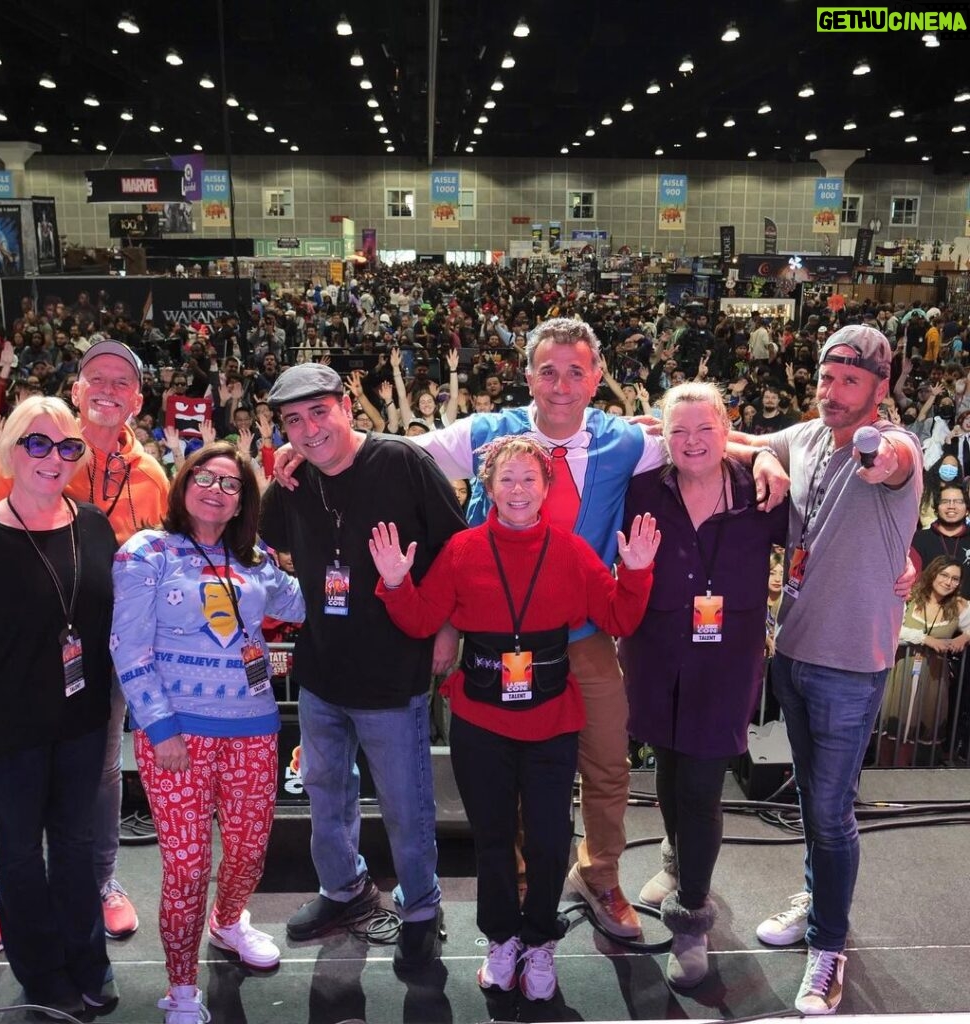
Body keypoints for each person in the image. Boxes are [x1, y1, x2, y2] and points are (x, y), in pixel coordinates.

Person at [406, 316, 789, 939]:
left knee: (609, 764)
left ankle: (600, 874)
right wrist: (318, 445)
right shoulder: (487, 432)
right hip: (500, 644)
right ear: (528, 373)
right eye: (549, 371)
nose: (561, 385)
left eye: (576, 371)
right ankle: (527, 884)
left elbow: (701, 438)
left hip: (584, 637)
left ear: (597, 377)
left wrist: (764, 453)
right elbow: (402, 454)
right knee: (519, 776)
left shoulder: (624, 440)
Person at [367, 435, 660, 1001]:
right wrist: (397, 581)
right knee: (495, 841)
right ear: (489, 488)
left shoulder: (573, 551)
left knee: (551, 840)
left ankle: (541, 943)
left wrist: (638, 572)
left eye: (529, 479)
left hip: (552, 719)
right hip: (481, 721)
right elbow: (421, 619)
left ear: (547, 489)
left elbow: (620, 615)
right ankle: (502, 939)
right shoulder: (461, 550)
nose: (518, 490)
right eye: (507, 479)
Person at [0, 340, 169, 958]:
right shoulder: (32, 445)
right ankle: (3, 893)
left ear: (137, 399)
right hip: (22, 646)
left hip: (106, 652)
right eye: (95, 377)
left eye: (121, 382)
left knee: (99, 773)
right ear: (76, 390)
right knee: (14, 774)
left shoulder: (151, 477)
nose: (107, 388)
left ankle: (99, 882)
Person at [259, 363, 467, 972]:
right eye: (293, 420)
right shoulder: (295, 477)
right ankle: (343, 890)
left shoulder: (401, 461)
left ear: (347, 406)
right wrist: (275, 477)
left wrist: (448, 627)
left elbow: (457, 549)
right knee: (326, 791)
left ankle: (423, 905)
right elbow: (271, 533)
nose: (309, 429)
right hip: (322, 667)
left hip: (393, 666)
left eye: (318, 412)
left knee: (406, 802)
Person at [751, 324, 922, 1015]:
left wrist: (881, 459)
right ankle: (818, 898)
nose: (833, 392)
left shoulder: (890, 444)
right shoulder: (806, 436)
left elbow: (897, 461)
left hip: (850, 665)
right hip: (792, 651)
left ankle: (829, 947)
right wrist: (762, 461)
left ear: (880, 390)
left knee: (829, 810)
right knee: (811, 804)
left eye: (851, 381)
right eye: (826, 378)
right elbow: (744, 443)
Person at [110, 442, 305, 1024]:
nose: (217, 489)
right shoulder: (147, 551)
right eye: (206, 477)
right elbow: (128, 644)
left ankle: (228, 923)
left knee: (249, 851)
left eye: (232, 484)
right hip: (176, 737)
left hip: (253, 729)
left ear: (244, 501)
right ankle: (181, 986)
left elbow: (300, 606)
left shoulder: (252, 557)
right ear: (182, 482)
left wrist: (299, 547)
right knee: (189, 865)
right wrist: (159, 725)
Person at [0, 397, 118, 1019]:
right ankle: (43, 977)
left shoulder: (95, 526)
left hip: (81, 722)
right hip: (9, 730)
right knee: (19, 856)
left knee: (76, 848)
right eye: (38, 444)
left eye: (67, 447)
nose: (53, 458)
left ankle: (87, 964)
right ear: (11, 450)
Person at [619, 383, 788, 988]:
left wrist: (897, 558)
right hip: (655, 655)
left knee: (701, 782)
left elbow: (814, 538)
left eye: (705, 430)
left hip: (726, 663)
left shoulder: (762, 491)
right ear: (662, 435)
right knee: (667, 765)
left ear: (728, 432)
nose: (691, 443)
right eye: (678, 431)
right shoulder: (640, 488)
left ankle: (692, 914)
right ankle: (673, 854)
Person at [878, 557, 969, 766]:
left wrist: (964, 637)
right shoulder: (910, 597)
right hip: (901, 671)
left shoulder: (958, 605)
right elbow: (891, 629)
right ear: (933, 573)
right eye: (944, 575)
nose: (948, 582)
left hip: (933, 677)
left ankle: (908, 777)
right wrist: (925, 638)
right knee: (892, 722)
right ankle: (883, 774)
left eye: (955, 579)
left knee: (921, 723)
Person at [910, 483, 970, 595]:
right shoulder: (919, 539)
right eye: (945, 501)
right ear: (936, 509)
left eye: (958, 501)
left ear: (967, 510)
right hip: (926, 609)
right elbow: (911, 583)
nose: (951, 506)